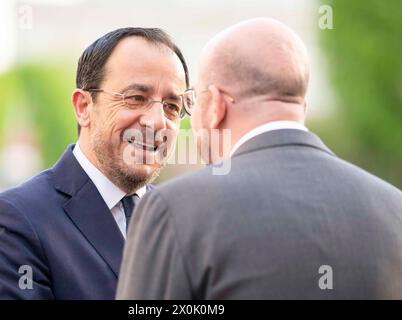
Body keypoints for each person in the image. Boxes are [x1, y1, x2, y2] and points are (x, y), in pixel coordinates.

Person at [117, 18, 402, 299]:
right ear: (301, 105)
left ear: (215, 105)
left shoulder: (176, 209)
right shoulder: (394, 208)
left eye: (192, 102)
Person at [0, 27, 189, 299]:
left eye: (171, 106)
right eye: (136, 98)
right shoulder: (13, 221)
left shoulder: (184, 223)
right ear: (83, 107)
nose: (157, 122)